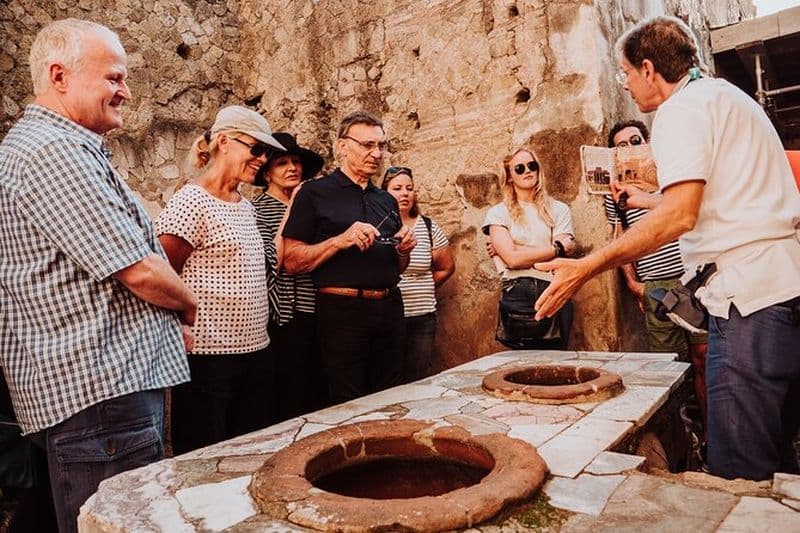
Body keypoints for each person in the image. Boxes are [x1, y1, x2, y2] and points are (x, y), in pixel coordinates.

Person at [535, 15, 800, 481]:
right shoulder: (726, 97)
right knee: (778, 463)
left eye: (627, 73)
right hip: (781, 290)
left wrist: (586, 266)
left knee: (739, 473)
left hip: (749, 304)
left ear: (650, 68)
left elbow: (681, 216)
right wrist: (648, 197)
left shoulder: (681, 109)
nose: (627, 84)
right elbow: (720, 197)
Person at [0, 19, 196, 532]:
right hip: (101, 397)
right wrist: (188, 305)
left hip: (98, 399)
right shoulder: (53, 151)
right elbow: (141, 270)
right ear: (59, 75)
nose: (125, 92)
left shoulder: (63, 146)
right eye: (114, 78)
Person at [156, 105, 284, 453]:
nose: (262, 159)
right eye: (256, 149)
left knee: (250, 453)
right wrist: (179, 328)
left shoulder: (246, 205)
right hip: (209, 360)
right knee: (203, 456)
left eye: (267, 153)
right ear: (224, 142)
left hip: (256, 353)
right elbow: (163, 274)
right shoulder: (191, 202)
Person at [282, 110, 416, 405]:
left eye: (381, 146)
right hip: (341, 311)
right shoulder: (314, 193)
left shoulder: (387, 200)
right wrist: (340, 241)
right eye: (367, 145)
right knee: (347, 402)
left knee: (392, 397)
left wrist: (403, 251)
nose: (377, 153)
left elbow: (398, 267)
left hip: (390, 308)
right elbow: (291, 260)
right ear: (343, 146)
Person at [604, 120, 708, 444]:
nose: (630, 147)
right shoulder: (617, 193)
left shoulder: (671, 177)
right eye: (622, 144)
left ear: (647, 143)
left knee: (704, 358)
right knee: (669, 367)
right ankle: (679, 442)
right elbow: (620, 238)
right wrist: (634, 284)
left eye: (636, 140)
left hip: (692, 281)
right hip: (656, 287)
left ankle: (710, 433)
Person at [252, 132, 328, 421]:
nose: (292, 168)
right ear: (267, 173)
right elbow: (275, 261)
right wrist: (294, 209)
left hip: (317, 308)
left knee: (317, 392)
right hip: (284, 314)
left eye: (295, 161)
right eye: (282, 163)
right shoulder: (258, 210)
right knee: (289, 393)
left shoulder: (313, 207)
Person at [483, 147, 576, 349]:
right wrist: (557, 248)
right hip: (518, 293)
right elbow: (513, 260)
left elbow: (559, 258)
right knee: (522, 366)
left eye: (532, 165)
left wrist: (515, 248)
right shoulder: (498, 213)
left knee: (557, 363)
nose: (527, 171)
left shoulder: (559, 209)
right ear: (509, 177)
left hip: (554, 290)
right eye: (519, 168)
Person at [381, 166, 455, 382]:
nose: (405, 193)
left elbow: (446, 267)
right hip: (388, 317)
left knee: (416, 376)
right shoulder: (381, 226)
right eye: (397, 188)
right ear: (384, 193)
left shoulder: (428, 226)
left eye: (409, 188)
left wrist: (424, 287)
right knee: (388, 377)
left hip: (422, 317)